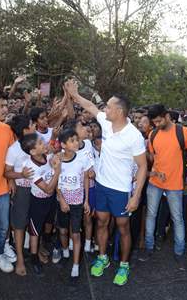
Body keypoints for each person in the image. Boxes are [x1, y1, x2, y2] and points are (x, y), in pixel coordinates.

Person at [65, 79, 147, 286]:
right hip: (101, 185)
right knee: (101, 222)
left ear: (119, 111)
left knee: (123, 227)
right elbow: (91, 106)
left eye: (109, 106)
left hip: (120, 190)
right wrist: (74, 95)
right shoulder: (106, 124)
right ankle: (103, 258)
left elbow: (143, 167)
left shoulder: (134, 136)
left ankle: (124, 265)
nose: (105, 109)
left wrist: (136, 195)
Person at [140, 104, 187, 270]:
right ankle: (148, 247)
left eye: (159, 120)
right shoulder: (153, 134)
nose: (157, 124)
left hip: (175, 184)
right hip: (155, 183)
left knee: (178, 219)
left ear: (167, 115)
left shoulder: (184, 132)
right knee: (151, 215)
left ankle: (179, 253)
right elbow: (154, 158)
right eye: (154, 122)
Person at [20, 133, 61, 275]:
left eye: (42, 141)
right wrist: (57, 171)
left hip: (50, 199)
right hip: (38, 201)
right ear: (32, 151)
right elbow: (48, 189)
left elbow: (53, 151)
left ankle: (44, 244)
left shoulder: (45, 154)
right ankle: (34, 258)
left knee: (49, 222)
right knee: (35, 230)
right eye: (40, 143)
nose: (44, 144)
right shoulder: (30, 167)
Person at [57, 128, 91, 277]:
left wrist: (86, 201)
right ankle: (65, 252)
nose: (76, 142)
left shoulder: (82, 159)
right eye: (72, 140)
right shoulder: (56, 159)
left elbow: (85, 179)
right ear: (63, 144)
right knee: (63, 231)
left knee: (76, 234)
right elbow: (55, 182)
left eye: (77, 139)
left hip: (77, 202)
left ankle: (76, 265)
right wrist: (62, 201)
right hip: (61, 202)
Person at [4, 114, 36, 276]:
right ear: (25, 130)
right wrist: (21, 175)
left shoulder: (37, 141)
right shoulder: (14, 149)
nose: (35, 125)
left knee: (36, 221)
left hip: (38, 190)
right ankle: (21, 259)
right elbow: (7, 172)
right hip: (22, 192)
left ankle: (37, 250)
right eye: (32, 124)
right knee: (19, 225)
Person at [0, 90, 15, 273]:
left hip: (1, 189)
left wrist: (13, 180)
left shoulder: (7, 130)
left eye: (6, 105)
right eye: (1, 105)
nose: (5, 109)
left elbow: (12, 159)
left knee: (2, 227)